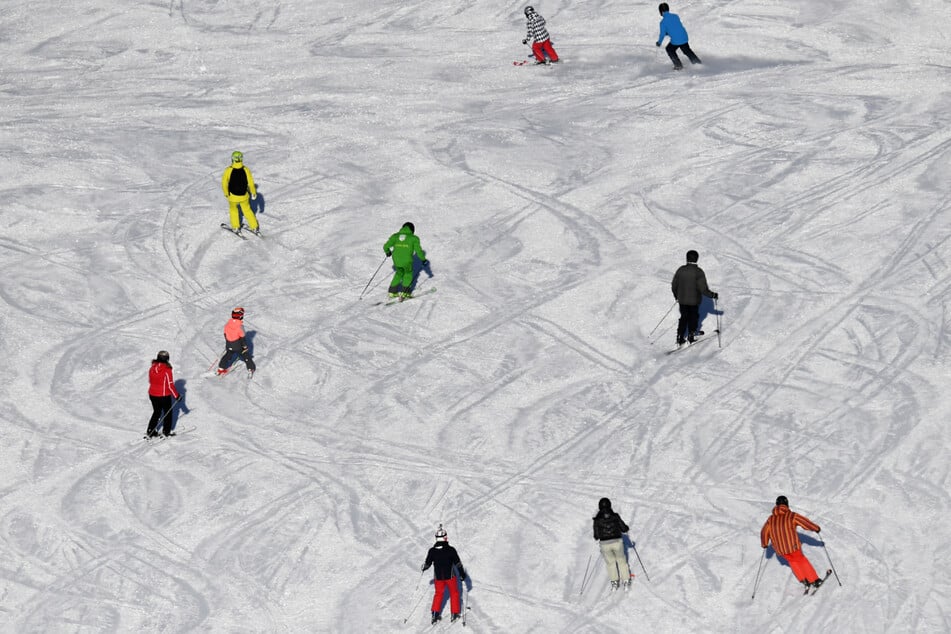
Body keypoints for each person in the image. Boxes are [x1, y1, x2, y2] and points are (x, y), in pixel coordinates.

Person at [760, 496, 825, 589]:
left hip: (780, 549)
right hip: (792, 546)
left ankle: (804, 580)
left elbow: (764, 532)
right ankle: (814, 580)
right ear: (786, 504)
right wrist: (816, 528)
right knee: (801, 560)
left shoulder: (770, 519)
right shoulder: (791, 516)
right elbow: (805, 522)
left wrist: (764, 543)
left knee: (792, 561)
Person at [421, 524, 468, 624]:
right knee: (454, 593)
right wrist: (462, 574)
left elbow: (428, 564)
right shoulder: (451, 550)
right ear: (444, 537)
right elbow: (458, 563)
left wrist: (424, 567)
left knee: (438, 594)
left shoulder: (432, 551)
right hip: (450, 577)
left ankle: (434, 614)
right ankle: (454, 614)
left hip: (438, 578)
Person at [671, 249, 718, 345]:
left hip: (682, 300)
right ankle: (691, 335)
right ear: (696, 259)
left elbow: (674, 285)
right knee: (693, 317)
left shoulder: (681, 270)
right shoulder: (698, 272)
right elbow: (703, 289)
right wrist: (713, 295)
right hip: (694, 301)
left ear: (687, 258)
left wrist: (677, 296)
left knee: (684, 317)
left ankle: (680, 336)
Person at [592, 498, 632, 590]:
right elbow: (624, 529)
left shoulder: (597, 520)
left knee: (610, 563)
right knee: (622, 561)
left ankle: (614, 582)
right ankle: (626, 580)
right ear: (610, 505)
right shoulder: (615, 516)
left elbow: (596, 536)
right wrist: (625, 528)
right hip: (617, 542)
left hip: (605, 545)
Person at [383, 222, 427, 300]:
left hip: (396, 260)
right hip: (407, 261)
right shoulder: (414, 238)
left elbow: (386, 246)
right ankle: (405, 292)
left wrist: (388, 252)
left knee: (399, 273)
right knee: (408, 274)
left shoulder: (395, 236)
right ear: (412, 230)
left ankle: (392, 292)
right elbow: (419, 251)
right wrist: (423, 260)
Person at [221, 151, 260, 235]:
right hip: (244, 196)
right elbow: (250, 182)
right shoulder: (246, 169)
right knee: (247, 210)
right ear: (241, 159)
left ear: (232, 159)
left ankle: (235, 227)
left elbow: (224, 182)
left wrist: (226, 193)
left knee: (233, 210)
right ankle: (254, 227)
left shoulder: (228, 170)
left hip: (233, 196)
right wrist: (253, 192)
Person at [656, 3, 702, 70]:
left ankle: (678, 65)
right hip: (684, 37)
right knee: (686, 50)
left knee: (669, 49)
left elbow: (662, 34)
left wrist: (659, 42)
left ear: (661, 11)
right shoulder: (675, 16)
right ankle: (697, 63)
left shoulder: (662, 22)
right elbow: (675, 27)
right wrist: (668, 32)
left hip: (676, 40)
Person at [146, 350, 180, 438]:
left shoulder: (152, 368)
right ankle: (166, 432)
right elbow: (170, 385)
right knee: (167, 413)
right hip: (164, 395)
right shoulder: (167, 370)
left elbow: (150, 380)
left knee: (156, 412)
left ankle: (151, 430)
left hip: (152, 394)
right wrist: (177, 396)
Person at [217, 307, 257, 376]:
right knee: (245, 356)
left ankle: (221, 367)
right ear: (241, 316)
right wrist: (245, 347)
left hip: (229, 344)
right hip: (238, 346)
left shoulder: (227, 325)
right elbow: (242, 338)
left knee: (227, 355)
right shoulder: (240, 326)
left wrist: (229, 343)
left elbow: (225, 335)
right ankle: (251, 368)